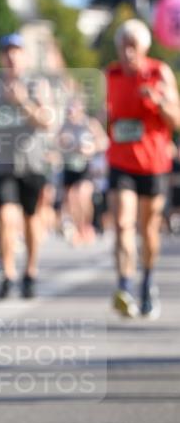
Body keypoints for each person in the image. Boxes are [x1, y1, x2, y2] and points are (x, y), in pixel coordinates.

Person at [105, 18, 180, 318]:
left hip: (154, 163)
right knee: (123, 223)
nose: (128, 53)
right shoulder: (109, 75)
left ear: (144, 48)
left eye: (133, 46)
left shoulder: (158, 72)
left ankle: (147, 281)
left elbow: (176, 121)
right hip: (120, 162)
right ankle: (124, 286)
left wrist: (160, 101)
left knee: (148, 229)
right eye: (124, 46)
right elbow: (100, 117)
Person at [0, 33, 54, 299]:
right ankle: (8, 274)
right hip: (2, 163)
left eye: (16, 51)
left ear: (24, 55)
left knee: (31, 219)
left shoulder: (38, 84)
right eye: (7, 51)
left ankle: (31, 272)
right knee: (4, 217)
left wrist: (22, 101)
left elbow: (46, 121)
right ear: (1, 56)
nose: (12, 56)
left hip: (32, 162)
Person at [57, 94, 108, 245]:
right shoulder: (64, 125)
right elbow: (55, 143)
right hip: (69, 166)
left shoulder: (90, 123)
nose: (71, 112)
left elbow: (104, 141)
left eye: (74, 108)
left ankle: (87, 226)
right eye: (69, 109)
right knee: (72, 200)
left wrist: (91, 148)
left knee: (83, 196)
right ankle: (78, 229)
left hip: (86, 166)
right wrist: (64, 145)